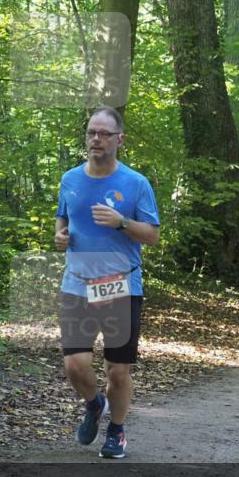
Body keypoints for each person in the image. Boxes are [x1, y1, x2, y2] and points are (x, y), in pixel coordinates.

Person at [53, 106, 160, 458]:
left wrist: (121, 223)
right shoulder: (70, 179)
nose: (95, 139)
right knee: (75, 365)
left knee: (118, 370)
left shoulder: (135, 183)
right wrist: (60, 236)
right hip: (77, 282)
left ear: (119, 140)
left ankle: (116, 430)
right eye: (91, 132)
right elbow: (62, 219)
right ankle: (93, 403)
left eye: (103, 133)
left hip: (120, 284)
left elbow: (152, 235)